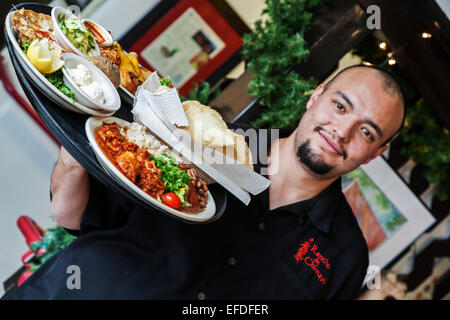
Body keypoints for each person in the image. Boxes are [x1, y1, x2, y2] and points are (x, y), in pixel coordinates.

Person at [4, 64, 405, 300]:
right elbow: (74, 216)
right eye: (339, 105)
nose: (343, 131)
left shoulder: (345, 254)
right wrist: (79, 146)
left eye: (367, 132)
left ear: (374, 153)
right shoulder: (199, 138)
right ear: (316, 96)